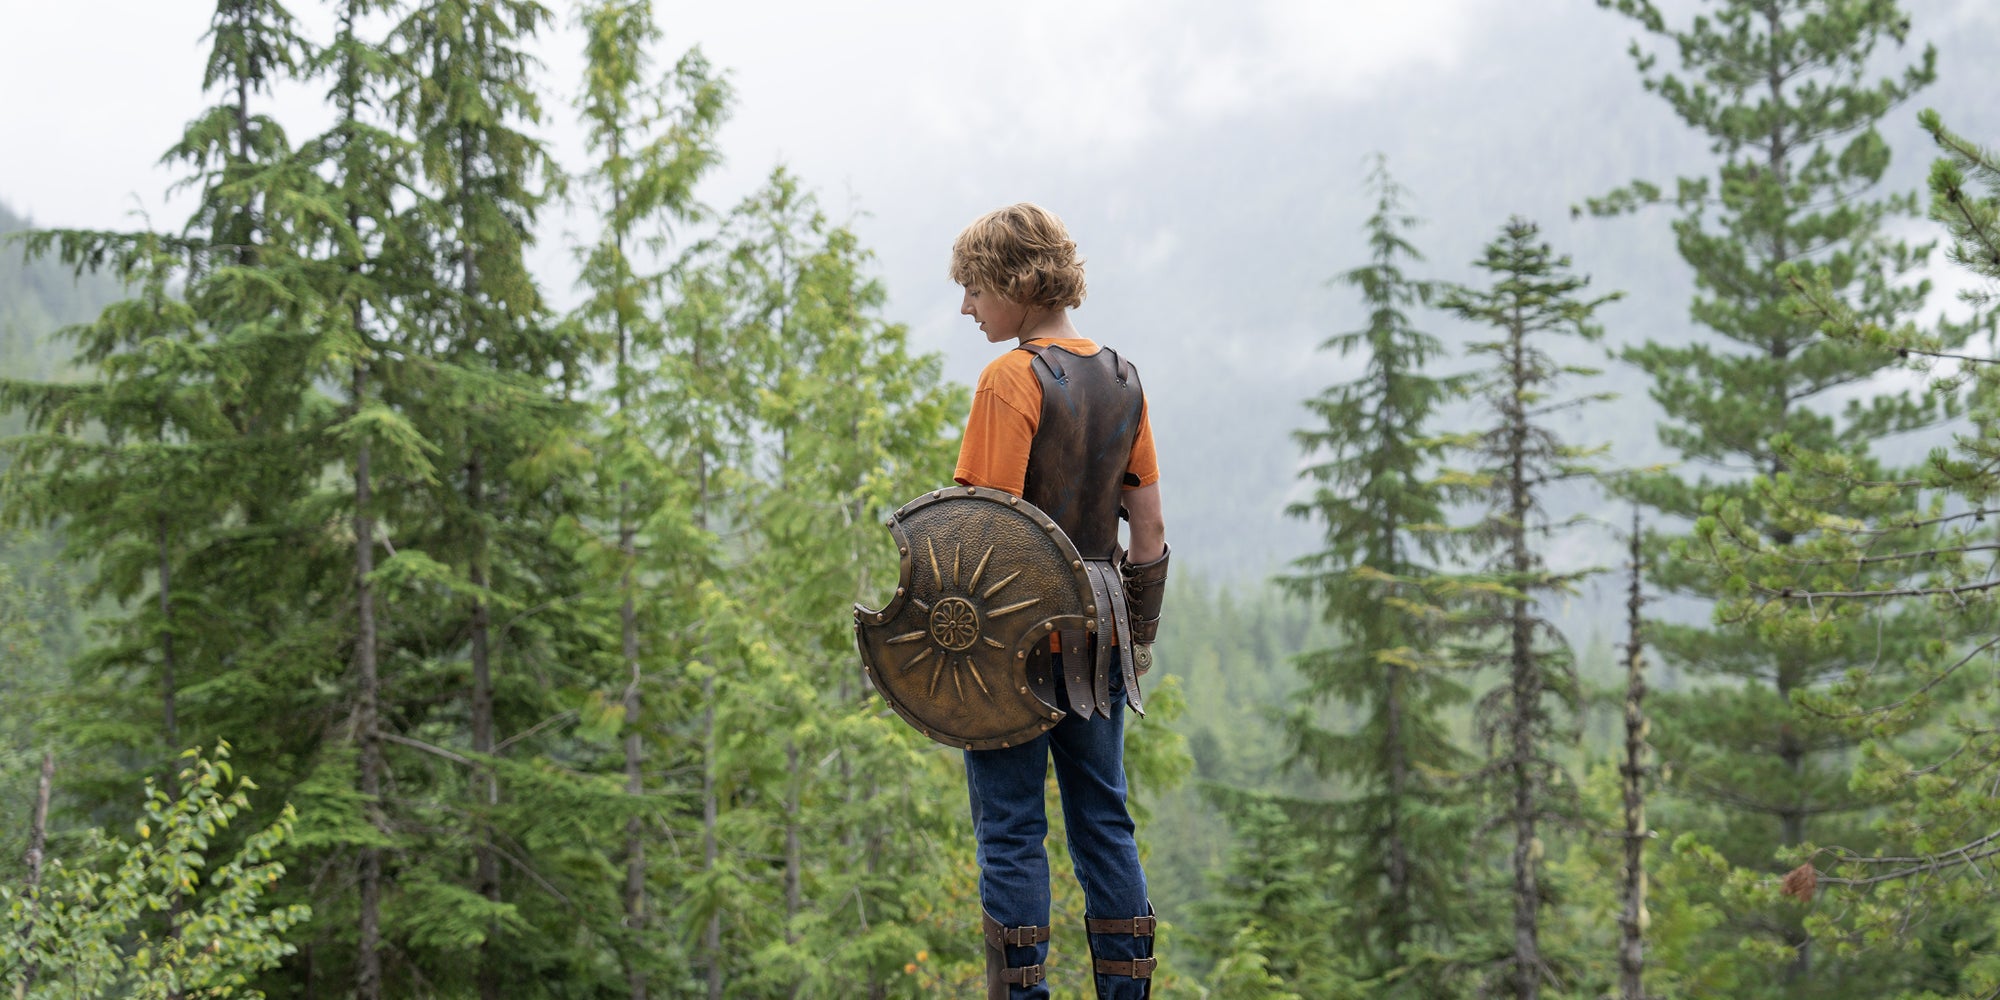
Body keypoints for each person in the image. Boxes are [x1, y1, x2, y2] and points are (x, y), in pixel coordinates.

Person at [948, 203, 1170, 1000]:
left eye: (974, 288)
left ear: (1015, 280)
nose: (968, 308)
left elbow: (985, 532)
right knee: (1103, 821)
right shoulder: (1122, 378)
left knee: (1010, 830)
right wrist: (1136, 638)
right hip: (1100, 632)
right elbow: (1147, 528)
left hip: (1013, 644)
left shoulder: (1010, 379)